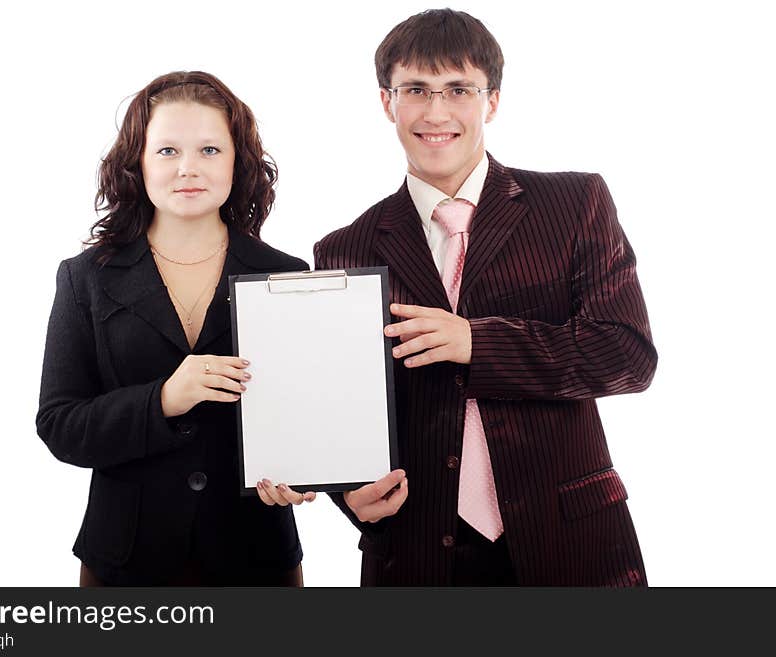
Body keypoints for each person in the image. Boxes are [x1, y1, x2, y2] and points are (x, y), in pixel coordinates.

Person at [313, 9, 657, 586]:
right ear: (386, 101)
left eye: (458, 90)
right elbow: (340, 411)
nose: (436, 112)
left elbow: (626, 355)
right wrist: (346, 496)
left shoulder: (574, 203)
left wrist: (476, 343)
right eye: (416, 89)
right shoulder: (343, 249)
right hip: (416, 552)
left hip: (570, 540)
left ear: (491, 101)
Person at [36, 71, 314, 586]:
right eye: (167, 151)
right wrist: (163, 398)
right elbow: (60, 425)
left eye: (210, 149)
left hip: (256, 555)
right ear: (137, 162)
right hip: (126, 561)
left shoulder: (287, 277)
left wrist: (303, 471)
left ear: (238, 162)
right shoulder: (85, 278)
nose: (188, 168)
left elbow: (310, 415)